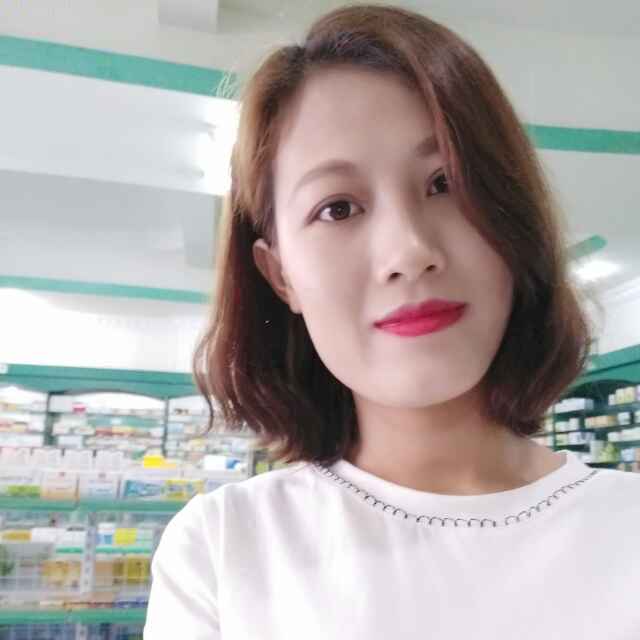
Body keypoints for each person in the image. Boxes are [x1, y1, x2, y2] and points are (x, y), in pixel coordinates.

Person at [144, 5, 640, 639]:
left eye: (445, 182)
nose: (409, 251)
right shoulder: (223, 551)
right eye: (338, 208)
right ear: (280, 275)